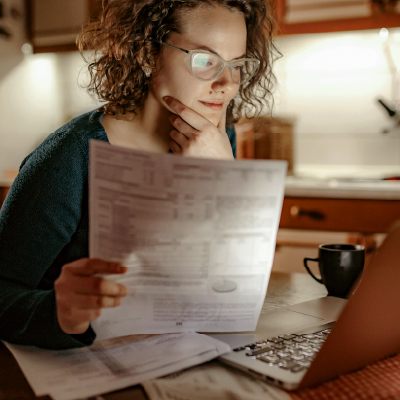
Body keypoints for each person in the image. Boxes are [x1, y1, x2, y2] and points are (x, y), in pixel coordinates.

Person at [0, 0, 278, 349]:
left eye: (237, 65)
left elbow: (229, 290)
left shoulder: (219, 140)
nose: (226, 83)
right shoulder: (70, 156)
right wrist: (57, 312)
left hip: (177, 359)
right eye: (206, 61)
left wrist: (223, 178)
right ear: (148, 55)